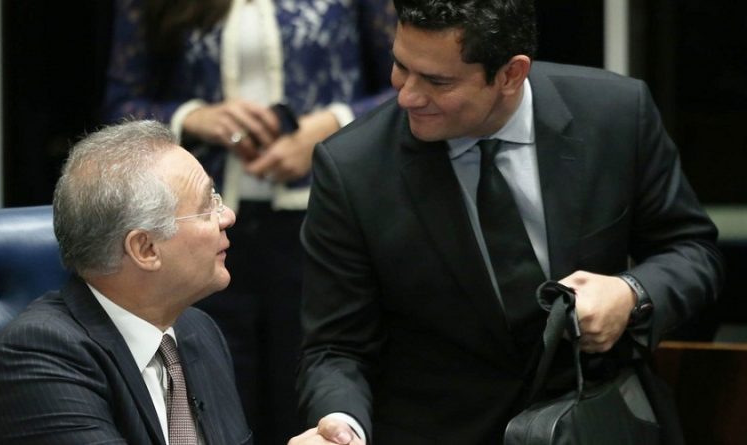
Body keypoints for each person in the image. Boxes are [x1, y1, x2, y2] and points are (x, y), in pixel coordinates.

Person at [290, 0, 725, 443]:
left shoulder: (614, 114)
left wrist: (631, 293)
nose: (407, 96)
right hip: (439, 429)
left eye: (438, 81)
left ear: (511, 74)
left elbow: (692, 251)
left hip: (597, 421)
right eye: (401, 66)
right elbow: (336, 346)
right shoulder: (353, 167)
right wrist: (342, 425)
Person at [103, 1, 396, 442]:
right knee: (214, 397)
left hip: (321, 223)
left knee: (312, 387)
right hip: (200, 228)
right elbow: (118, 106)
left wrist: (329, 127)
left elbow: (411, 88)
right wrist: (193, 117)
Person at [0, 120, 250, 444]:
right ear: (145, 249)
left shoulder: (198, 332)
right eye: (205, 208)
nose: (227, 216)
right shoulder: (35, 357)